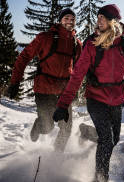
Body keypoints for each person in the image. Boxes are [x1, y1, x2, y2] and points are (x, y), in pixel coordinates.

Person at [53, 4, 124, 182]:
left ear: (113, 21)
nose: (98, 20)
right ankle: (101, 178)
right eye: (98, 17)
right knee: (107, 140)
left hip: (117, 99)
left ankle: (87, 133)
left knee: (113, 139)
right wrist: (63, 104)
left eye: (103, 17)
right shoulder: (92, 43)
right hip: (96, 97)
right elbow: (77, 76)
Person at [7, 8, 82, 152]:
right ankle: (40, 124)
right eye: (66, 18)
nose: (70, 21)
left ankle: (56, 159)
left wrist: (74, 90)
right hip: (44, 90)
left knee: (66, 128)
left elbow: (78, 70)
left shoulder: (76, 44)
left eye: (72, 19)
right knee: (48, 127)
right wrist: (15, 82)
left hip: (63, 93)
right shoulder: (45, 38)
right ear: (60, 20)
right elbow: (24, 57)